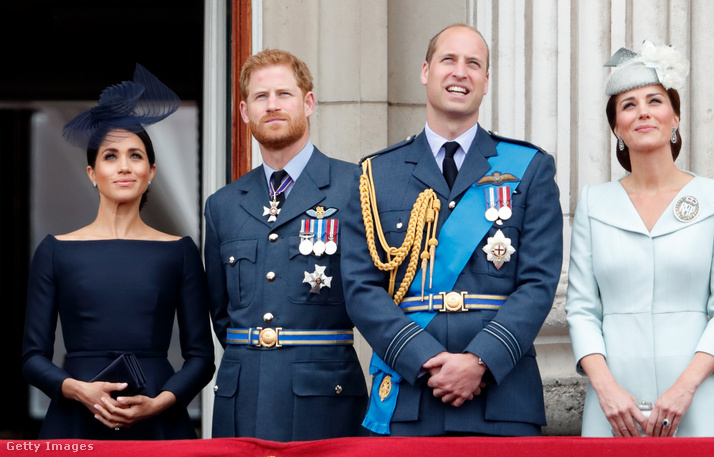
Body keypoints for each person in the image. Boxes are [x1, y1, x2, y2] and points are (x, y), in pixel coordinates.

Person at [341, 24, 563, 436]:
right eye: (449, 60)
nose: (460, 72)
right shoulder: (376, 174)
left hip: (502, 397)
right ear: (426, 71)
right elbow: (360, 287)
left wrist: (479, 360)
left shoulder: (529, 167)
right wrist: (425, 360)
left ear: (485, 81)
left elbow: (538, 283)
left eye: (473, 64)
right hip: (411, 396)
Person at [21, 65, 216, 439]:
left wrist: (159, 402)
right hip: (76, 416)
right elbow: (32, 358)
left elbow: (201, 358)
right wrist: (79, 390)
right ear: (92, 173)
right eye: (110, 156)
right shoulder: (55, 251)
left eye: (135, 156)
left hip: (157, 416)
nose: (124, 166)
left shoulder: (180, 252)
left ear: (152, 171)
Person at [565, 40, 714, 437]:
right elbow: (580, 309)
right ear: (616, 127)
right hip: (614, 403)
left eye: (655, 100)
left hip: (695, 397)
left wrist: (684, 389)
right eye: (628, 104)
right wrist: (607, 390)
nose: (643, 111)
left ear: (675, 116)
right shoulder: (595, 203)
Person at [204, 49, 367, 441]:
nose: (272, 105)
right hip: (242, 396)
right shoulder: (223, 205)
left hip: (325, 398)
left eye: (284, 94)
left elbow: (377, 298)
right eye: (261, 97)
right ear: (244, 112)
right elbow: (221, 311)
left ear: (308, 103)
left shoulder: (354, 187)